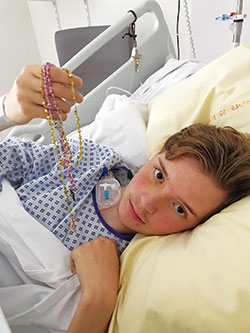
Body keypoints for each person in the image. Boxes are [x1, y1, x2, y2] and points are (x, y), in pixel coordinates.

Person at [1, 65, 250, 332]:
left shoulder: (138, 269)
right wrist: (7, 113)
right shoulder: (89, 161)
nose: (147, 202)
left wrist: (99, 299)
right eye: (159, 175)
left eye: (179, 209)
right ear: (156, 152)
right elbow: (16, 158)